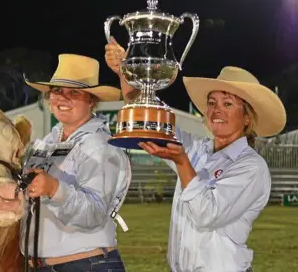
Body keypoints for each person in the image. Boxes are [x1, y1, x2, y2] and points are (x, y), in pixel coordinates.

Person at [105, 39, 286, 272]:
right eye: (212, 103)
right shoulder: (198, 148)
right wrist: (127, 72)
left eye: (228, 104)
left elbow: (207, 214)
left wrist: (182, 162)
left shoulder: (251, 166)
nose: (216, 110)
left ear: (247, 117)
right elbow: (148, 119)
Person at [20, 54, 132, 272]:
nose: (63, 98)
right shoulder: (45, 145)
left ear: (91, 100)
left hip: (85, 264)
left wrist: (53, 189)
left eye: (74, 93)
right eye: (57, 91)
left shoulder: (100, 146)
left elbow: (95, 213)